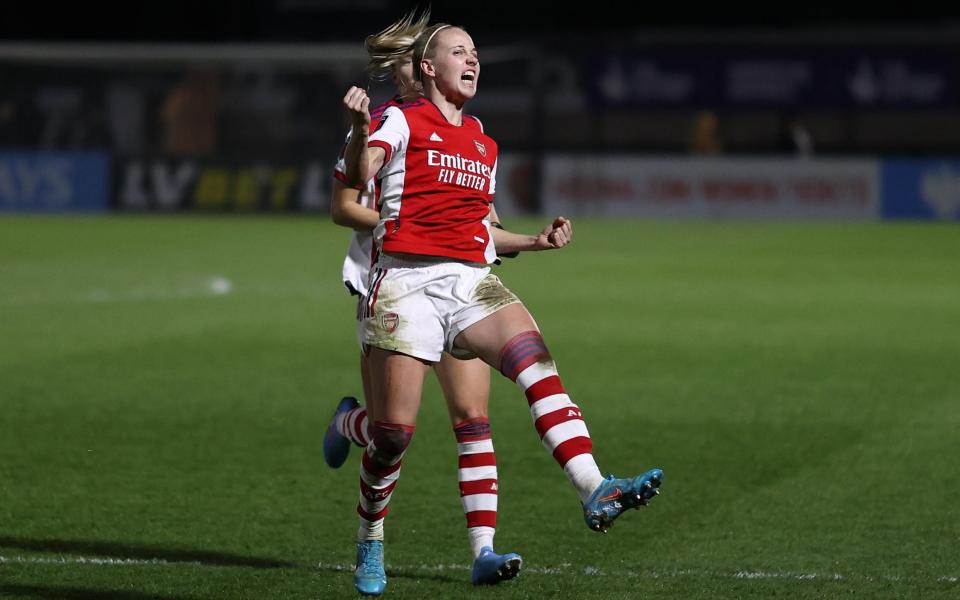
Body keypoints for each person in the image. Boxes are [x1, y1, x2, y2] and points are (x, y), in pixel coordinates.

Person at [340, 21, 664, 596]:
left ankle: (594, 486)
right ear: (430, 68)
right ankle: (370, 536)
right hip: (405, 283)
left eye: (476, 53)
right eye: (458, 52)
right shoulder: (399, 118)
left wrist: (535, 241)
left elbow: (481, 232)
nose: (473, 60)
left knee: (533, 361)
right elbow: (359, 177)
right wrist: (361, 129)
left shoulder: (482, 141)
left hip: (470, 281)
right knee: (392, 435)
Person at [323, 11, 526, 593]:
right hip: (387, 279)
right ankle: (349, 430)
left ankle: (483, 550)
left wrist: (510, 240)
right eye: (421, 62)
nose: (428, 71)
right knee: (392, 433)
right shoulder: (385, 122)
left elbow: (483, 221)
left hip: (455, 285)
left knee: (472, 414)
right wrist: (407, 224)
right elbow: (343, 207)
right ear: (415, 70)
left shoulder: (464, 130)